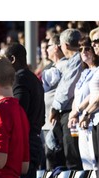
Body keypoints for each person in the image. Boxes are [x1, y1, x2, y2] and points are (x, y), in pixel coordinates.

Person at [4, 42, 45, 178]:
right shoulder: (32, 78)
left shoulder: (20, 80)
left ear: (12, 59)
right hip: (32, 141)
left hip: (25, 144)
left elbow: (17, 115)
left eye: (4, 60)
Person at [49, 28, 83, 170]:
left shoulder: (77, 60)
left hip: (71, 113)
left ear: (65, 45)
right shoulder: (71, 61)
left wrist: (55, 107)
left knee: (72, 156)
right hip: (65, 112)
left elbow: (67, 89)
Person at [68, 36, 99, 170]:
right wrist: (73, 114)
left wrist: (80, 110)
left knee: (94, 161)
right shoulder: (84, 72)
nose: (84, 52)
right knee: (86, 162)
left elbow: (93, 96)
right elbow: (78, 95)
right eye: (80, 49)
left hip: (92, 119)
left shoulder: (97, 70)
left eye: (87, 48)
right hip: (82, 121)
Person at [41, 34, 68, 170]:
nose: (47, 49)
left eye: (49, 46)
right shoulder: (53, 67)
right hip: (47, 123)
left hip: (55, 123)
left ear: (57, 47)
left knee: (54, 163)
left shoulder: (64, 66)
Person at [79, 27, 99, 167]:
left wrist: (86, 112)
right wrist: (78, 110)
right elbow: (92, 94)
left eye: (97, 41)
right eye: (93, 42)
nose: (94, 45)